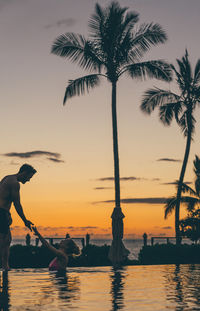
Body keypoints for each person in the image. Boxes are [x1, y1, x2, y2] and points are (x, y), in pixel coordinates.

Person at [0, 164, 36, 270]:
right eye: (29, 177)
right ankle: (5, 267)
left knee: (7, 240)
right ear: (24, 173)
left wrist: (7, 213)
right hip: (1, 213)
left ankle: (5, 266)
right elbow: (17, 204)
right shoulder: (15, 183)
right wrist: (25, 220)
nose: (29, 180)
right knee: (4, 241)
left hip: (2, 212)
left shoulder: (7, 178)